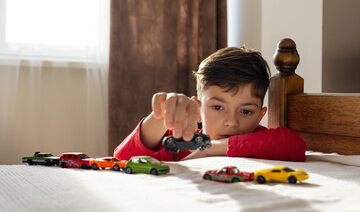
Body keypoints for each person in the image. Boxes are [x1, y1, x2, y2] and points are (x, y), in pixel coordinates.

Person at [114, 47, 306, 162]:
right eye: (218, 107)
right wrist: (160, 118)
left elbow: (295, 145)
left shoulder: (261, 140)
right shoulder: (181, 144)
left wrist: (211, 148)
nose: (232, 122)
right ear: (197, 110)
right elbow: (122, 160)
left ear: (260, 115)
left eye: (246, 111)